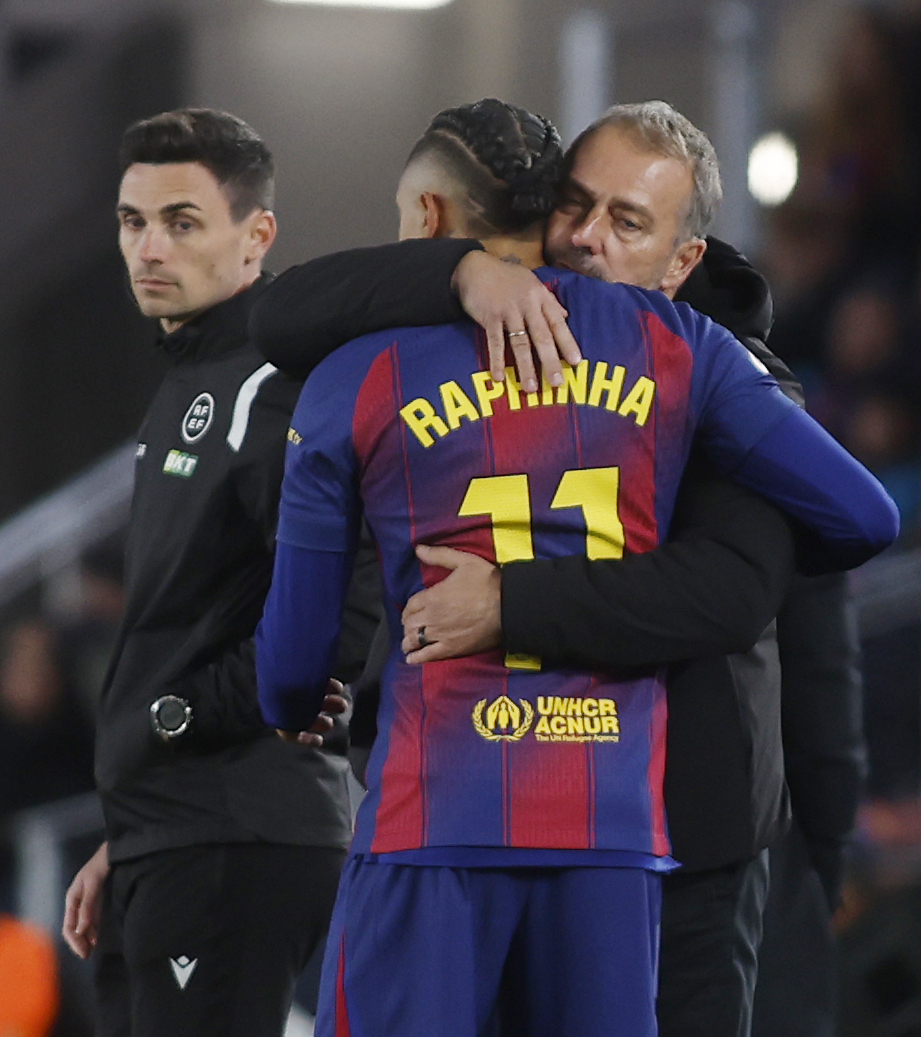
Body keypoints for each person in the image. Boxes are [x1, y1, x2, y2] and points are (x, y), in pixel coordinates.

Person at [255, 100, 895, 1037]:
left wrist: (499, 606)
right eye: (576, 205)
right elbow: (862, 515)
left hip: (524, 823)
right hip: (610, 830)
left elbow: (726, 595)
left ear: (684, 261)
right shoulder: (688, 364)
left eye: (626, 220)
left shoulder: (364, 371)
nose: (589, 238)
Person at [60, 108, 378, 1037]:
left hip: (239, 833)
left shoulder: (273, 381)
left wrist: (178, 717)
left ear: (257, 235)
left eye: (181, 221)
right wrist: (135, 828)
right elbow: (195, 614)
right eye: (131, 221)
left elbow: (341, 602)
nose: (148, 248)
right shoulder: (186, 379)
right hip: (175, 830)